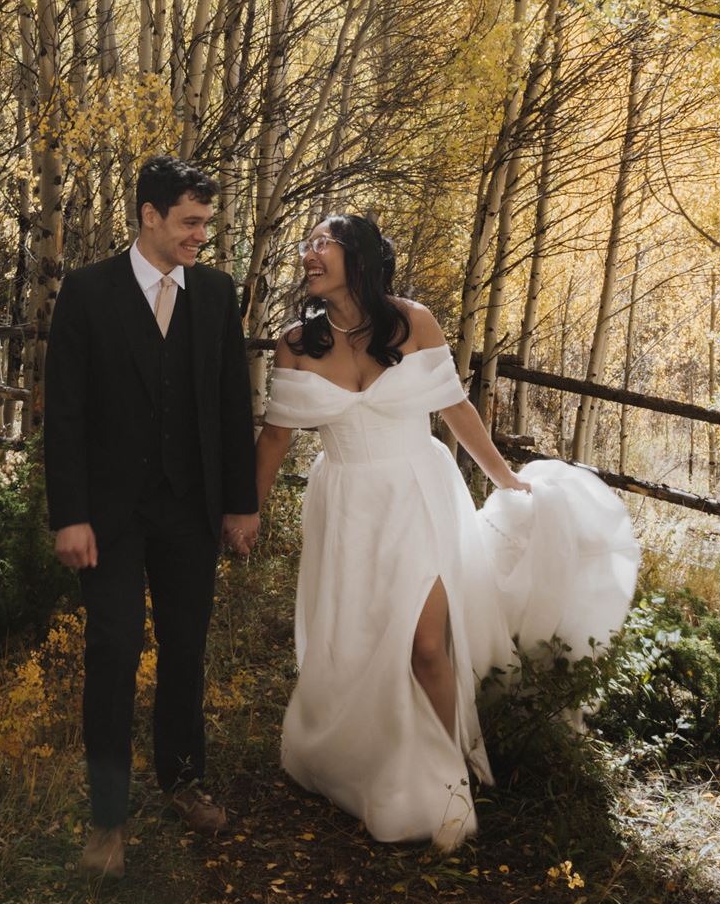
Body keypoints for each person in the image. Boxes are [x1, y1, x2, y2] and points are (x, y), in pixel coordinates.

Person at [255, 214, 640, 849]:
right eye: (307, 244)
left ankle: (451, 783)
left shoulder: (414, 322)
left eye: (322, 243)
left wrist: (505, 477)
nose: (308, 253)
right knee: (357, 639)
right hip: (346, 505)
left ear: (360, 256)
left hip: (419, 495)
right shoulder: (299, 340)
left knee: (427, 644)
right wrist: (248, 511)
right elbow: (274, 437)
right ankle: (365, 760)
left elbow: (455, 408)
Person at [44, 155, 259, 880]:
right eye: (190, 222)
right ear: (149, 216)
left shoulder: (216, 295)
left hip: (190, 512)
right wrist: (68, 515)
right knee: (111, 652)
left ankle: (181, 779)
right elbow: (64, 414)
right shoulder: (87, 292)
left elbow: (233, 409)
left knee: (185, 647)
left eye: (205, 223)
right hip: (107, 517)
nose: (201, 236)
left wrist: (240, 504)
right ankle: (107, 818)